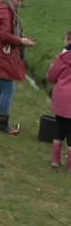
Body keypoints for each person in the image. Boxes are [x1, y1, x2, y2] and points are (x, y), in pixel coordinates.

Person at [0, 0, 36, 134]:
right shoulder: (5, 13)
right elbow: (5, 35)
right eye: (18, 0)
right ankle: (3, 123)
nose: (19, 4)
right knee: (8, 88)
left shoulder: (0, 9)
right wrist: (21, 41)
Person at [46, 30, 71, 170]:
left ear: (68, 40)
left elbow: (50, 76)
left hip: (62, 99)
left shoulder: (62, 58)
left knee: (60, 129)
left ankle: (56, 161)